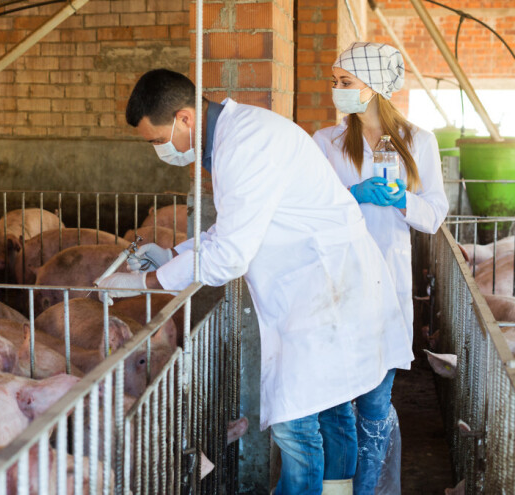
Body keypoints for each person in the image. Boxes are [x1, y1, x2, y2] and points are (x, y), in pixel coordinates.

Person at [98, 69, 413, 495]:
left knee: (294, 430)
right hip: (324, 287)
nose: (160, 150)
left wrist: (148, 282)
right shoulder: (240, 135)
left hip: (326, 293)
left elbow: (230, 254)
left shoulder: (244, 145)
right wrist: (175, 254)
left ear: (185, 119)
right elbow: (231, 230)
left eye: (158, 140)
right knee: (332, 414)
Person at [313, 42, 449, 494]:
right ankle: (337, 489)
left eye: (345, 82)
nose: (337, 90)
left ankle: (366, 490)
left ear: (374, 87)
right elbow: (311, 209)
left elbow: (434, 214)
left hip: (387, 289)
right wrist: (352, 197)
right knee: (334, 406)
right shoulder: (326, 143)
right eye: (335, 82)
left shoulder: (418, 141)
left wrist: (402, 200)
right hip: (337, 286)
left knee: (374, 407)